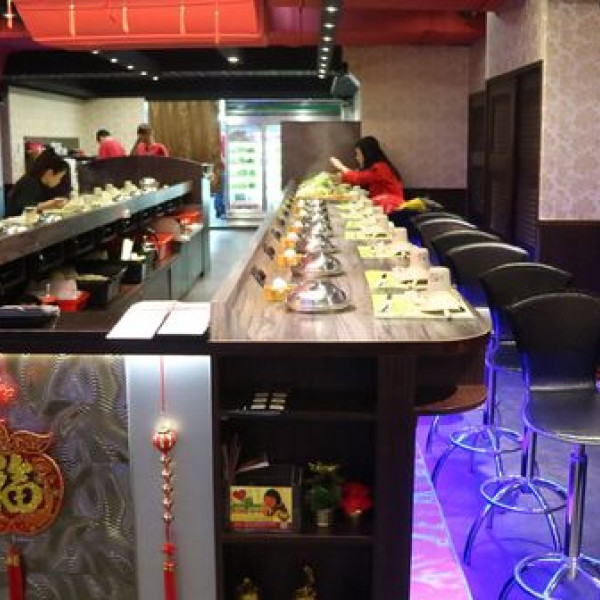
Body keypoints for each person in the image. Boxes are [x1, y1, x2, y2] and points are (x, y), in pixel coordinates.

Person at [330, 135, 405, 214]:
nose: (357, 158)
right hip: (384, 205)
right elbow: (359, 175)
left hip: (392, 209)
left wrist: (341, 166)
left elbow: (358, 178)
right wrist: (341, 176)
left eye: (358, 154)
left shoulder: (380, 168)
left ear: (367, 154)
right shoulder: (377, 166)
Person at [6, 153, 69, 217]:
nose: (59, 181)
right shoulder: (30, 183)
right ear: (49, 173)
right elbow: (23, 208)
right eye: (59, 177)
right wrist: (48, 205)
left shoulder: (43, 184)